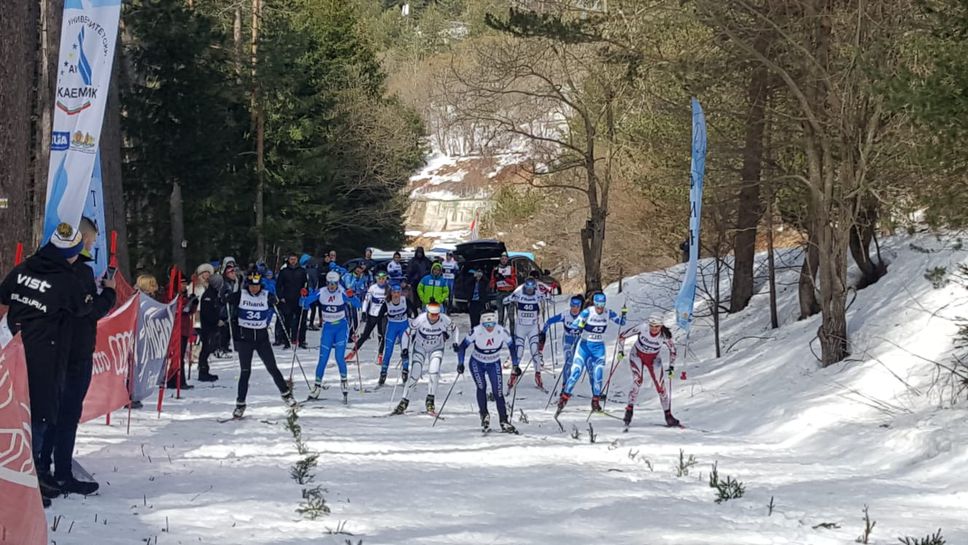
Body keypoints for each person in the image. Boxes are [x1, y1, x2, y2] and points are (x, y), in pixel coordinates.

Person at [0, 223, 89, 506]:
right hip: (45, 354)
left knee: (14, 411)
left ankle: (28, 475)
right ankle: (29, 480)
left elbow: (3, 297)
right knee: (39, 414)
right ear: (71, 254)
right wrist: (107, 293)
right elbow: (84, 308)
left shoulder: (23, 268)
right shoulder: (66, 280)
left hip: (15, 347)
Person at [35, 218, 116, 498]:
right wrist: (109, 292)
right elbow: (89, 312)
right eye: (91, 241)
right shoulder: (79, 270)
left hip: (50, 351)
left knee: (50, 413)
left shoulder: (45, 267)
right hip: (74, 354)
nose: (92, 246)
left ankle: (44, 469)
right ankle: (60, 473)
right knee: (67, 415)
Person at [224, 271, 297, 418]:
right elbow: (224, 301)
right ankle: (240, 404)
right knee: (245, 372)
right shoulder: (241, 295)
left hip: (262, 339)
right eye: (251, 286)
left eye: (256, 286)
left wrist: (278, 302)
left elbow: (284, 309)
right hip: (245, 339)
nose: (254, 288)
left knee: (272, 367)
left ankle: (286, 395)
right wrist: (225, 297)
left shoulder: (266, 295)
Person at [554, 292, 626, 417]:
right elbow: (574, 325)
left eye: (602, 305)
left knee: (598, 374)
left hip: (598, 348)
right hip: (584, 347)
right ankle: (564, 398)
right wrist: (581, 324)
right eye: (598, 305)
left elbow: (621, 322)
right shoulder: (587, 312)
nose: (600, 308)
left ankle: (595, 401)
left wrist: (624, 314)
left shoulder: (608, 312)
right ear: (594, 303)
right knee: (576, 372)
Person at [456, 311, 520, 433]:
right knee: (481, 386)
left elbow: (512, 347)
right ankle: (484, 415)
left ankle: (504, 420)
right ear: (482, 323)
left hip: (494, 363)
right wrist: (460, 363)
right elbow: (462, 347)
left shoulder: (501, 331)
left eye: (492, 324)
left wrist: (515, 365)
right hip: (477, 363)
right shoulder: (476, 331)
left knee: (498, 391)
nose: (489, 327)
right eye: (486, 324)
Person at [303, 271, 360, 403]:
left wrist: (352, 297)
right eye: (329, 283)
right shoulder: (322, 292)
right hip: (328, 328)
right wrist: (304, 296)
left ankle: (344, 383)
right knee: (323, 358)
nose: (332, 286)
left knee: (339, 357)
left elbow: (358, 305)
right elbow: (304, 304)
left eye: (334, 284)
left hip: (341, 328)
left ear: (337, 283)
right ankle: (317, 386)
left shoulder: (342, 292)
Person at [391, 303, 456, 415]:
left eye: (436, 314)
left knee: (434, 372)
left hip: (437, 347)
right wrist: (404, 349)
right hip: (420, 347)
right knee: (415, 374)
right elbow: (407, 333)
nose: (434, 317)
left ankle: (430, 400)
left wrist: (455, 341)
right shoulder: (420, 319)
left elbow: (455, 329)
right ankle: (404, 401)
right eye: (432, 314)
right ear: (427, 313)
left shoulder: (444, 319)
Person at [618, 315, 679, 428]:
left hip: (653, 359)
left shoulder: (664, 336)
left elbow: (673, 350)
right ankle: (629, 410)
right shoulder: (642, 328)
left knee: (661, 386)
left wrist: (671, 367)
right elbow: (622, 336)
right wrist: (620, 351)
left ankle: (668, 415)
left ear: (661, 326)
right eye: (652, 326)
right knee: (637, 381)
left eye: (657, 326)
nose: (654, 328)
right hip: (637, 355)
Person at [505, 278, 548, 390]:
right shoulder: (519, 290)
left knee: (535, 351)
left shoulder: (538, 292)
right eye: (527, 288)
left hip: (533, 327)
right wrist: (510, 299)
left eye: (531, 288)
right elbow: (506, 300)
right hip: (521, 327)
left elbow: (548, 296)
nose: (529, 291)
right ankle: (513, 376)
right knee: (519, 352)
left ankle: (538, 375)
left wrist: (548, 293)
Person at [540, 294, 585, 391]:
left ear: (580, 307)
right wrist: (543, 332)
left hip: (578, 341)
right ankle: (565, 385)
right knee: (568, 361)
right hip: (567, 340)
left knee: (577, 363)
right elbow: (549, 321)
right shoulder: (565, 315)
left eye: (577, 307)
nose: (574, 309)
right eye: (573, 306)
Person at [376, 283, 417, 386]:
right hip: (392, 328)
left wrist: (414, 322)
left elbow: (415, 311)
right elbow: (379, 317)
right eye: (394, 292)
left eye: (398, 292)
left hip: (404, 327)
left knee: (405, 350)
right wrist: (380, 331)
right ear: (391, 293)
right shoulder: (387, 303)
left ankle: (405, 371)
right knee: (388, 351)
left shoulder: (404, 300)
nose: (396, 295)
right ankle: (383, 373)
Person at [348, 271, 389, 363]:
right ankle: (353, 352)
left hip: (383, 316)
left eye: (383, 279)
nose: (381, 281)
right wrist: (364, 311)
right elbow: (366, 300)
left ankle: (380, 355)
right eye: (379, 279)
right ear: (376, 279)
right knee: (365, 335)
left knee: (382, 335)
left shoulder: (388, 288)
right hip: (373, 314)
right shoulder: (373, 288)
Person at [168, 276, 197, 390]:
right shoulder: (172, 295)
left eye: (185, 284)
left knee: (180, 355)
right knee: (178, 356)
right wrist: (184, 306)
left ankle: (175, 380)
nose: (184, 286)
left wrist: (193, 303)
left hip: (184, 328)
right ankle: (178, 381)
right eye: (182, 284)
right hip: (176, 328)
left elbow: (189, 312)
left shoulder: (184, 295)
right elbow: (174, 310)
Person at [275, 253, 308, 349]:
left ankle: (301, 341)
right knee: (287, 321)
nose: (293, 261)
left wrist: (305, 293)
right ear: (288, 260)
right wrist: (281, 297)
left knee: (301, 321)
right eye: (291, 259)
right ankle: (286, 342)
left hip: (299, 299)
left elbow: (306, 284)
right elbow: (278, 285)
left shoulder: (302, 271)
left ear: (297, 260)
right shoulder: (284, 271)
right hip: (287, 299)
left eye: (294, 259)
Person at [197, 269, 223, 382]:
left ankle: (204, 369)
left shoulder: (214, 294)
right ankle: (203, 371)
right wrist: (216, 321)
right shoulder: (208, 295)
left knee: (209, 347)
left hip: (211, 326)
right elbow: (207, 312)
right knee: (206, 349)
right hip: (207, 327)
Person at [490, 252, 517, 326]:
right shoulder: (496, 269)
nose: (504, 260)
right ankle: (500, 332)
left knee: (511, 317)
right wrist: (493, 286)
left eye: (505, 259)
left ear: (507, 260)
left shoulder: (511, 269)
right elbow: (492, 281)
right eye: (502, 259)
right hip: (500, 293)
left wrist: (504, 278)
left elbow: (514, 282)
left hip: (509, 293)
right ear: (500, 260)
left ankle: (512, 332)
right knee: (500, 317)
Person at [342, 263, 369, 338]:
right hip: (348, 299)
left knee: (357, 318)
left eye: (361, 269)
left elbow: (363, 288)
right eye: (358, 268)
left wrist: (361, 280)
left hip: (357, 299)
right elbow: (348, 286)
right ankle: (348, 334)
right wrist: (356, 279)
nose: (359, 270)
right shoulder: (348, 276)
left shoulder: (362, 277)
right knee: (350, 317)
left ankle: (352, 333)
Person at [305, 255, 321, 331]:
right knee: (313, 308)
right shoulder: (314, 271)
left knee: (305, 308)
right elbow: (315, 281)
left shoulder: (305, 270)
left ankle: (304, 323)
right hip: (311, 291)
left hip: (305, 291)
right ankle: (311, 324)